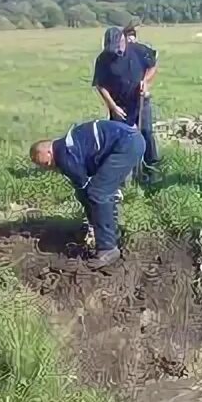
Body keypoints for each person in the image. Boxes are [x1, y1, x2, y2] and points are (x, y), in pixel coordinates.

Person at [29, 120, 145, 270]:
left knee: (98, 193)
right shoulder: (66, 146)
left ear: (48, 152)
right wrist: (93, 223)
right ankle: (110, 233)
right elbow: (82, 191)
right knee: (99, 192)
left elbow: (87, 191)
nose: (46, 168)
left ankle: (108, 248)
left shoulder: (64, 156)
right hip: (127, 140)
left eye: (44, 163)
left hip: (126, 145)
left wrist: (93, 223)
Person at [92, 26, 160, 184]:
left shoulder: (138, 50)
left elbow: (153, 65)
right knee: (120, 137)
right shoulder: (103, 59)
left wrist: (146, 82)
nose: (115, 52)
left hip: (140, 101)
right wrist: (113, 107)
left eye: (118, 47)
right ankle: (122, 173)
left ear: (123, 41)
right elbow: (100, 85)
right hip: (119, 106)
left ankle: (152, 168)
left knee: (146, 132)